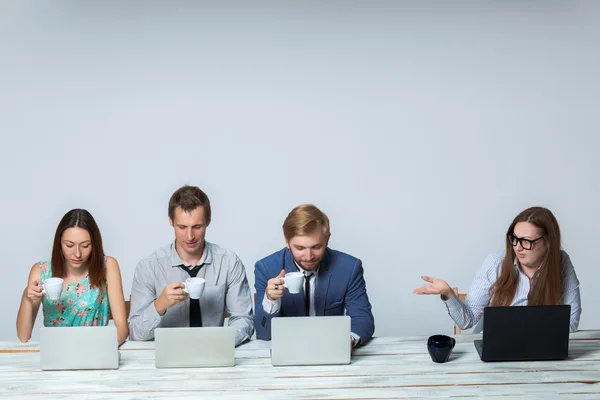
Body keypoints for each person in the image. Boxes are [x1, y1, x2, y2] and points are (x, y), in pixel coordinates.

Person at [413, 206, 582, 333]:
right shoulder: (495, 263)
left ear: (547, 242)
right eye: (514, 239)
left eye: (526, 241)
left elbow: (571, 324)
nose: (517, 247)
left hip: (539, 351)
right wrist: (448, 294)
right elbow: (467, 321)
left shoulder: (561, 262)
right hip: (493, 348)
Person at [128, 185, 254, 346]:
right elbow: (135, 333)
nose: (190, 236)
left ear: (208, 221)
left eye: (197, 227)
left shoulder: (228, 262)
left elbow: (244, 320)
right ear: (171, 221)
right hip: (167, 354)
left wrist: (220, 343)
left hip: (215, 351)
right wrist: (159, 305)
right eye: (182, 227)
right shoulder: (149, 267)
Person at [254, 204, 375, 347]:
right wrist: (271, 301)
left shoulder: (349, 268)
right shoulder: (266, 268)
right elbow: (264, 334)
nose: (309, 256)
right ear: (287, 241)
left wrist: (349, 340)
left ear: (327, 239)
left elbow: (363, 319)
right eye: (300, 248)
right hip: (288, 348)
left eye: (316, 247)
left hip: (331, 347)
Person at [16, 209, 129, 344]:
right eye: (69, 245)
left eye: (85, 246)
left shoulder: (108, 267)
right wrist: (26, 297)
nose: (77, 254)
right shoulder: (41, 271)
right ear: (59, 244)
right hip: (56, 352)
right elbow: (23, 336)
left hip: (96, 351)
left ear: (94, 244)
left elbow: (122, 327)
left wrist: (103, 349)